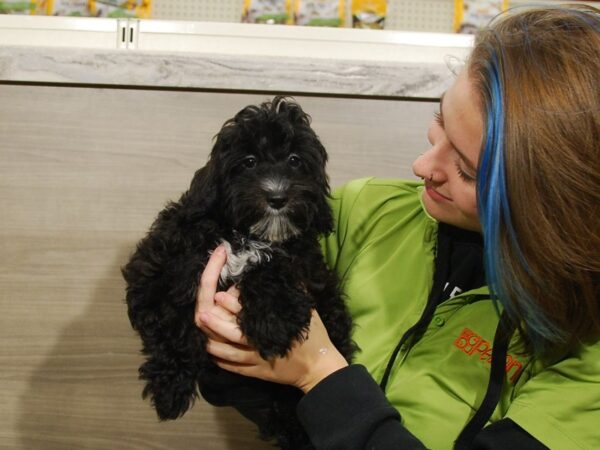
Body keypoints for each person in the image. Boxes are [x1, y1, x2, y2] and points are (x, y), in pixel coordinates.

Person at [194, 5, 600, 449]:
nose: (422, 166)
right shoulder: (365, 211)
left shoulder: (586, 349)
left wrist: (319, 372)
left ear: (549, 206)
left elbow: (308, 366)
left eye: (465, 169)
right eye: (440, 120)